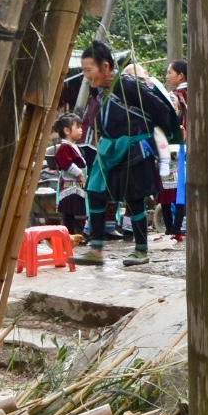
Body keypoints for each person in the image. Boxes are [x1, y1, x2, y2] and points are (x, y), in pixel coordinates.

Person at [70, 40, 181, 268]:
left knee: (134, 200)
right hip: (109, 149)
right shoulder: (99, 89)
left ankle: (141, 251)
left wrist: (160, 137)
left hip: (134, 150)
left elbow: (160, 110)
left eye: (89, 70)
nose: (87, 75)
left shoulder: (129, 86)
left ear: (106, 67)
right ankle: (96, 251)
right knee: (95, 191)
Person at [53, 113, 88, 236]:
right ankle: (70, 235)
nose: (81, 130)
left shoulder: (72, 146)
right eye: (77, 127)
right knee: (69, 212)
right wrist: (79, 174)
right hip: (70, 185)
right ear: (67, 131)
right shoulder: (64, 147)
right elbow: (66, 163)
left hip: (76, 185)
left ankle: (75, 234)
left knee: (74, 211)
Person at [166, 60, 189, 233]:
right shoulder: (197, 93)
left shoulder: (174, 96)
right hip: (194, 146)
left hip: (175, 146)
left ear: (181, 76)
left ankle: (174, 226)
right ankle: (182, 224)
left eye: (170, 73)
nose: (167, 76)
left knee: (172, 186)